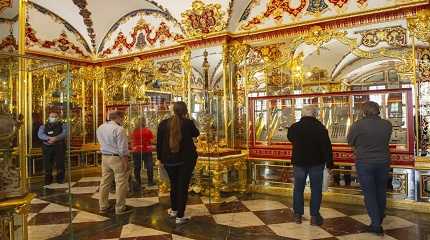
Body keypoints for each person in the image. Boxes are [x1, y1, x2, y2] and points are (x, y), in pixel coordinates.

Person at [347, 101, 392, 236]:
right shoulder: (387, 124)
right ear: (378, 110)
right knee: (381, 190)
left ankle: (376, 224)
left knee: (369, 192)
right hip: (383, 161)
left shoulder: (357, 125)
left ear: (364, 112)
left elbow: (350, 141)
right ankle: (380, 215)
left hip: (364, 162)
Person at [287, 105, 333, 226]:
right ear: (315, 114)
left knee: (298, 189)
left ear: (302, 114)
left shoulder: (294, 127)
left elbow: (290, 138)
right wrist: (329, 164)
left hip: (299, 162)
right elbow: (327, 147)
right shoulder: (320, 128)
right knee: (316, 189)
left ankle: (297, 215)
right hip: (316, 163)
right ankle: (314, 216)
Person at [157, 101, 199, 224]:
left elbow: (159, 144)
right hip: (185, 161)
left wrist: (160, 159)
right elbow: (196, 133)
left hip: (169, 161)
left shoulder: (163, 124)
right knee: (183, 187)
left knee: (174, 185)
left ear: (173, 110)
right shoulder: (187, 123)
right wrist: (190, 119)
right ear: (185, 111)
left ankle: (174, 209)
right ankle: (180, 216)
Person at [96, 110, 133, 215]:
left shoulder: (100, 127)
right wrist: (126, 162)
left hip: (104, 157)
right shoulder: (119, 129)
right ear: (118, 117)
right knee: (121, 183)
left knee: (105, 182)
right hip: (117, 158)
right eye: (123, 118)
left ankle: (103, 206)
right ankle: (120, 208)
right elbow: (123, 149)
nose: (123, 120)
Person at [38, 112, 67, 185]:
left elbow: (65, 133)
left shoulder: (63, 125)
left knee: (60, 163)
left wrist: (56, 138)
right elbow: (40, 135)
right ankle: (48, 179)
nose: (53, 118)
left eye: (55, 116)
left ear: (58, 118)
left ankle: (60, 179)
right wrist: (49, 138)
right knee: (47, 164)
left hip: (59, 147)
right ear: (48, 118)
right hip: (47, 147)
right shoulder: (43, 126)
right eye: (51, 116)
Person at [131, 117, 155, 189]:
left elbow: (132, 140)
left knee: (137, 167)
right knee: (149, 166)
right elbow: (152, 140)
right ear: (144, 122)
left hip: (137, 151)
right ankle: (150, 182)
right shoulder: (147, 130)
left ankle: (138, 182)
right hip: (146, 150)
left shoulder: (134, 131)